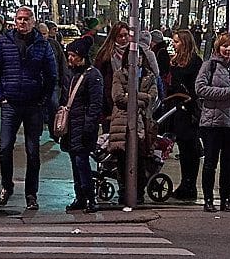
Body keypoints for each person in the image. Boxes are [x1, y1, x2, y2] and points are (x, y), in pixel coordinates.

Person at [0, 6, 58, 210]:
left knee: (33, 151)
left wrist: (43, 99)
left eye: (26, 19)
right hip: (10, 102)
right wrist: (0, 96)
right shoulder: (4, 41)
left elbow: (51, 74)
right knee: (4, 148)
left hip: (33, 104)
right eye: (19, 19)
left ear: (33, 21)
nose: (22, 22)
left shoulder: (42, 44)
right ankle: (6, 185)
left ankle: (31, 193)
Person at [195, 33, 230, 212]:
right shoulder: (209, 66)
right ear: (218, 48)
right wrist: (227, 92)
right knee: (210, 162)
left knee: (228, 163)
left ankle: (226, 199)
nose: (229, 49)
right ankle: (208, 199)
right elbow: (200, 89)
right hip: (212, 123)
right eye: (225, 46)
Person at [107, 38, 158, 202]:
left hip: (142, 122)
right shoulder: (119, 74)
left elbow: (152, 97)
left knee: (141, 158)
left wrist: (132, 96)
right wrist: (139, 98)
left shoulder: (149, 77)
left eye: (139, 57)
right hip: (122, 122)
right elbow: (118, 98)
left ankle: (139, 192)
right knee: (123, 158)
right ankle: (123, 191)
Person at [60, 36, 104, 213]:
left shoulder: (93, 76)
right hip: (73, 127)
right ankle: (80, 197)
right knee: (75, 163)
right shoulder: (73, 74)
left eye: (72, 55)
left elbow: (95, 104)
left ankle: (90, 199)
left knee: (81, 163)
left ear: (82, 56)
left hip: (82, 127)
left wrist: (88, 126)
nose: (69, 58)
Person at [95, 22, 160, 116]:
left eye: (126, 35)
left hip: (138, 106)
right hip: (113, 104)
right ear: (114, 37)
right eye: (120, 36)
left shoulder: (138, 52)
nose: (124, 39)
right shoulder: (106, 55)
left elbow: (150, 76)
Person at [168, 29, 204, 202]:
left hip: (190, 109)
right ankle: (185, 183)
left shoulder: (195, 62)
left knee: (191, 147)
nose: (174, 45)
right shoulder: (174, 62)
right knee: (183, 147)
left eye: (176, 41)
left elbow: (197, 86)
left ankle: (190, 185)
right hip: (178, 109)